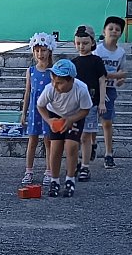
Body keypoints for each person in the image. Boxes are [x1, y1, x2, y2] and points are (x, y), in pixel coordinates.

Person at [36, 59, 92, 198]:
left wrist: (71, 120)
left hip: (75, 115)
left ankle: (70, 179)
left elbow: (85, 109)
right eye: (53, 81)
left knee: (72, 146)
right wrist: (49, 120)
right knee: (55, 147)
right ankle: (54, 180)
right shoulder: (50, 89)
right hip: (55, 115)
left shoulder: (81, 89)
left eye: (60, 83)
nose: (55, 85)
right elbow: (40, 106)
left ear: (71, 80)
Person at [69, 25, 108, 182]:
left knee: (86, 135)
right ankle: (76, 163)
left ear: (92, 43)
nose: (81, 46)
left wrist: (102, 102)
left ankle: (85, 166)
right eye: (78, 43)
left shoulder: (96, 61)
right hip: (75, 106)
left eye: (85, 43)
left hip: (91, 104)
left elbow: (102, 80)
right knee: (74, 136)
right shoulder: (73, 63)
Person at [19, 33, 57, 186]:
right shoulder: (31, 71)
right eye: (37, 51)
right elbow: (28, 92)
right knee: (32, 140)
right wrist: (24, 113)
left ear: (49, 51)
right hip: (34, 111)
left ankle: (49, 171)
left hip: (48, 111)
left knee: (48, 141)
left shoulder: (53, 72)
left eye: (43, 50)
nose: (40, 54)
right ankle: (28, 171)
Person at [95, 16, 129, 168]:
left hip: (110, 90)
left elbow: (122, 71)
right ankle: (91, 145)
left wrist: (120, 80)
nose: (114, 31)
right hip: (94, 88)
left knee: (107, 122)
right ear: (104, 31)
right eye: (111, 28)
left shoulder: (120, 53)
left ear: (121, 33)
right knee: (91, 120)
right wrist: (116, 75)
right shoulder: (97, 50)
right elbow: (97, 73)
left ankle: (109, 153)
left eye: (117, 29)